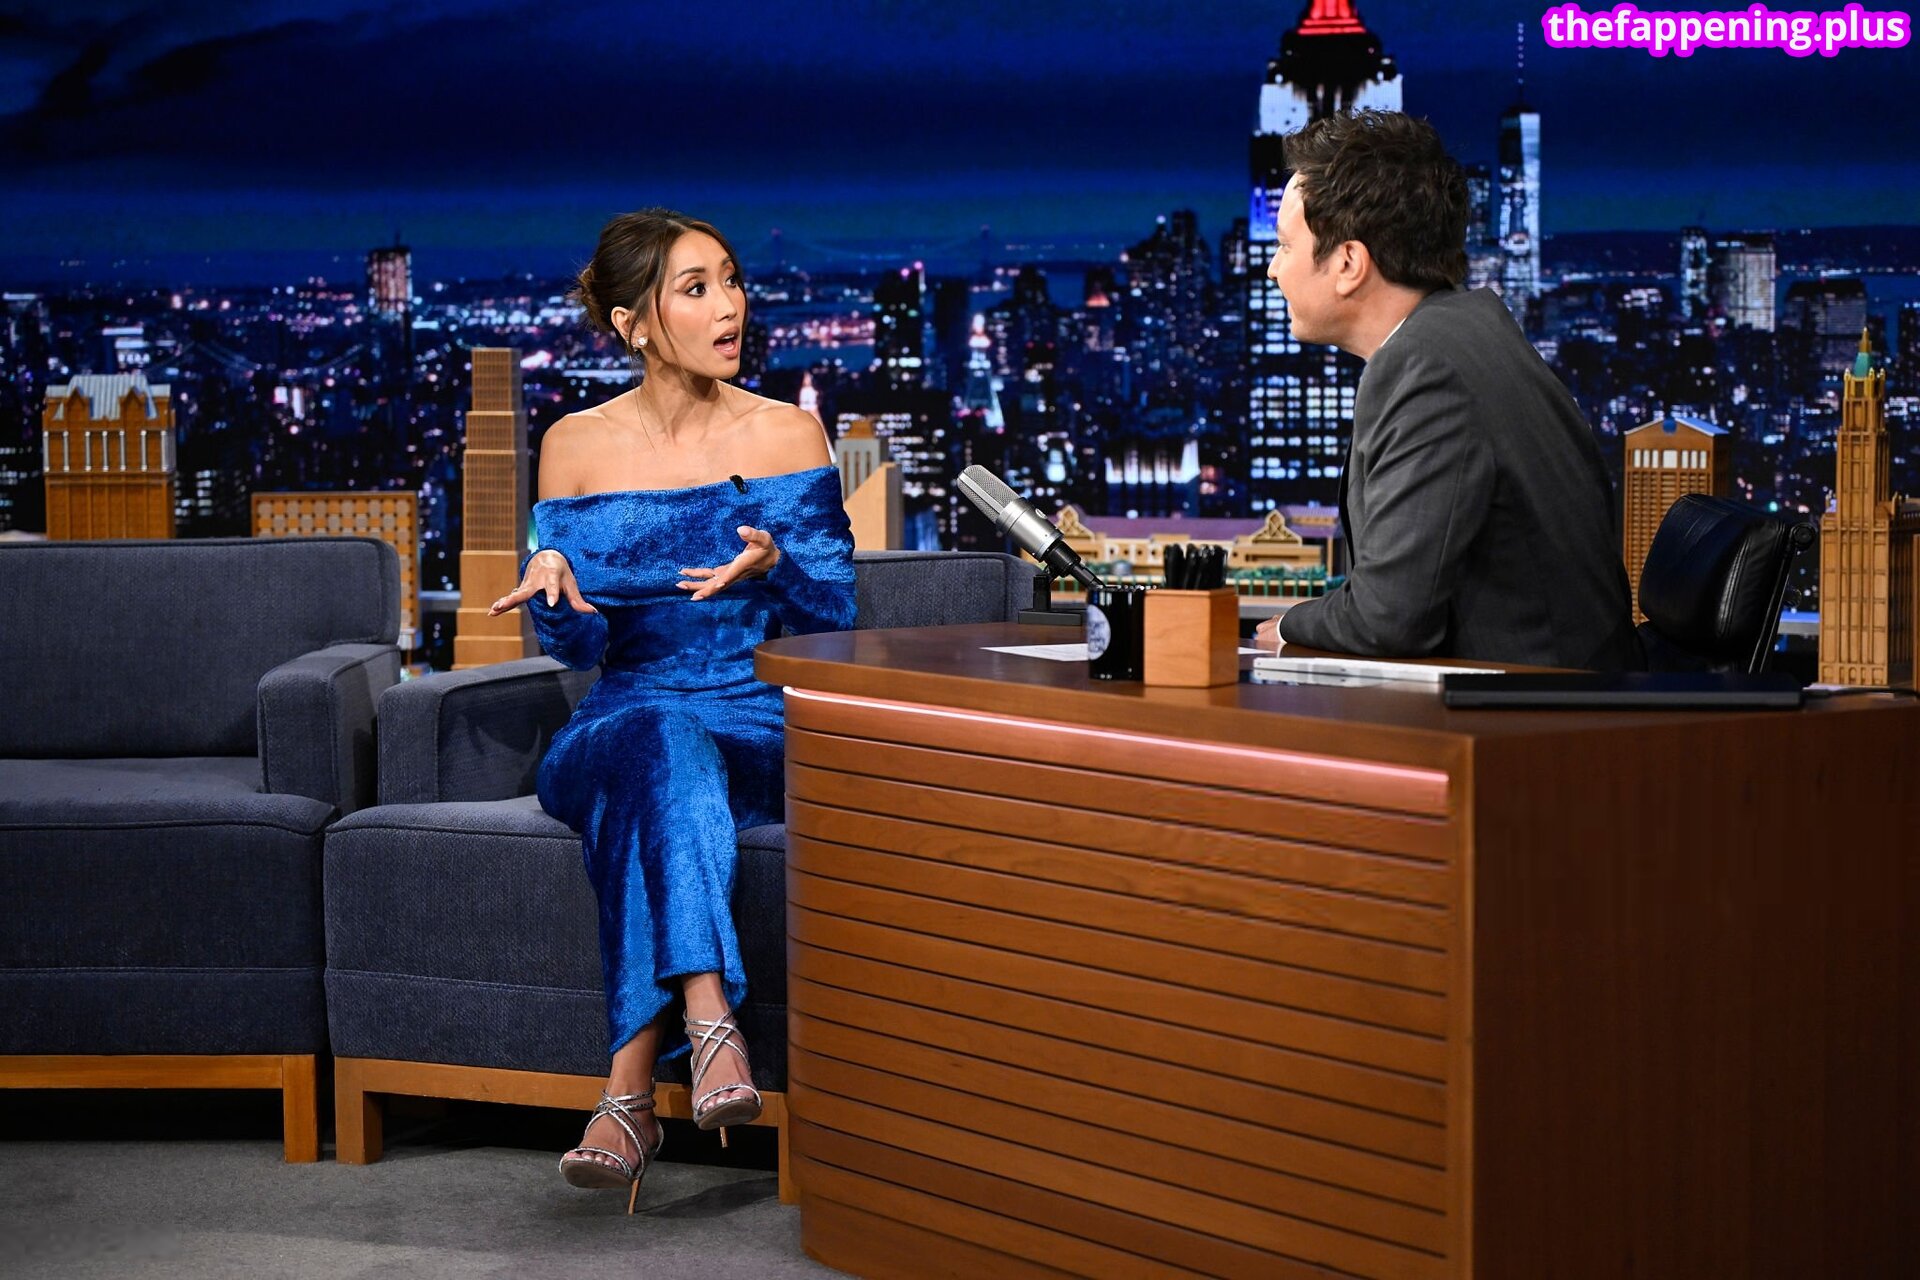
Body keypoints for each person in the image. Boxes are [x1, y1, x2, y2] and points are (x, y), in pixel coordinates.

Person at [487, 209, 855, 1211]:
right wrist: (556, 592)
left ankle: (627, 1094)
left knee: (668, 769)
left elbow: (836, 616)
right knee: (656, 738)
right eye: (696, 289)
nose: (731, 305)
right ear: (634, 324)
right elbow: (578, 649)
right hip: (620, 717)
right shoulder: (573, 445)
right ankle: (708, 1015)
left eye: (731, 279)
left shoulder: (786, 433)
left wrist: (777, 566)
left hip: (754, 723)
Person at [1254, 110, 1641, 671]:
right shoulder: (1467, 333)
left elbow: (1387, 619)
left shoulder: (1424, 368)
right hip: (1548, 693)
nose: (1273, 270)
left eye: (1286, 246)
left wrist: (1290, 625)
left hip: (1532, 712)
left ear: (1348, 263)